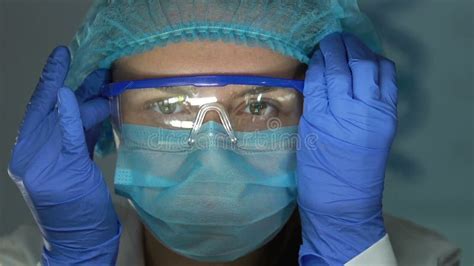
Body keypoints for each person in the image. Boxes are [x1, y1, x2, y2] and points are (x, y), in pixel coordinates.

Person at [2, 1, 459, 265]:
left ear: (324, 114)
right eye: (170, 105)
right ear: (107, 118)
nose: (213, 153)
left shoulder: (424, 259)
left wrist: (352, 247)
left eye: (259, 105)